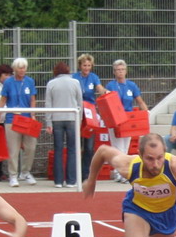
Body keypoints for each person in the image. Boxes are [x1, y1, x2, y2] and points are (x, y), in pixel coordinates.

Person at [0, 57, 37, 187]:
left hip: (27, 119)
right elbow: (3, 100)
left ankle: (26, 172)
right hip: (12, 119)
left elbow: (32, 99)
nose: (22, 70)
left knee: (31, 147)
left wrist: (33, 115)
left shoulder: (30, 81)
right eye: (20, 68)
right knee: (13, 149)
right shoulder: (8, 82)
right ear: (15, 69)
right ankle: (13, 175)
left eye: (24, 67)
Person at [105, 59, 149, 184]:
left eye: (122, 69)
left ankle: (119, 171)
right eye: (118, 70)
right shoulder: (111, 86)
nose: (120, 72)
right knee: (118, 147)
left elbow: (140, 101)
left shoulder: (131, 85)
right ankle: (121, 172)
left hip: (128, 120)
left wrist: (146, 113)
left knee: (125, 147)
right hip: (115, 120)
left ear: (126, 71)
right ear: (114, 72)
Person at [45, 61, 83, 188]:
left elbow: (48, 104)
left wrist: (48, 122)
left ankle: (58, 181)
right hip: (72, 118)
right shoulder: (75, 82)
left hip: (57, 119)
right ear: (67, 71)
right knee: (72, 149)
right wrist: (80, 119)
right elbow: (80, 102)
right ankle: (71, 181)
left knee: (58, 150)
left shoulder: (51, 83)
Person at [72, 53, 107, 181]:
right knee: (76, 144)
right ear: (80, 66)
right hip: (77, 112)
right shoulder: (74, 77)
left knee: (89, 146)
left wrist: (106, 92)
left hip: (90, 113)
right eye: (84, 65)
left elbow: (100, 89)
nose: (86, 68)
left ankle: (86, 174)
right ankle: (74, 174)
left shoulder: (94, 77)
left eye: (88, 65)